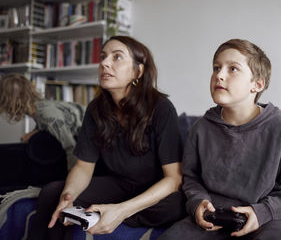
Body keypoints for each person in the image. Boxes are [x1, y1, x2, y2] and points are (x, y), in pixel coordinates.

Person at [27, 36, 186, 240]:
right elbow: (84, 167)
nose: (104, 63)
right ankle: (99, 213)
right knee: (52, 194)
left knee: (176, 205)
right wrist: (69, 196)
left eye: (117, 57)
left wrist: (122, 210)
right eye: (102, 57)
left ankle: (110, 215)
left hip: (153, 190)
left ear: (138, 71)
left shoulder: (161, 108)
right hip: (118, 185)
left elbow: (174, 179)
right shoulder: (96, 109)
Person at [159, 39, 281, 240]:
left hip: (265, 217)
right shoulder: (200, 129)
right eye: (216, 68)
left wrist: (264, 212)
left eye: (233, 69)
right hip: (213, 215)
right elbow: (191, 178)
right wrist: (198, 203)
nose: (220, 75)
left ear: (257, 84)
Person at [0, 74, 84, 178]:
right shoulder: (39, 108)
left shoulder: (48, 116)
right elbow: (44, 125)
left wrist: (71, 180)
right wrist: (34, 132)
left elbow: (71, 147)